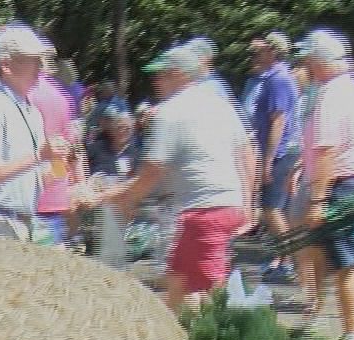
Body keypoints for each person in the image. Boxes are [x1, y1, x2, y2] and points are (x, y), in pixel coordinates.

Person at [96, 42, 254, 312]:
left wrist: (124, 199)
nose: (156, 80)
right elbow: (247, 155)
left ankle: (230, 338)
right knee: (179, 281)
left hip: (204, 210)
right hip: (223, 205)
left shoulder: (169, 113)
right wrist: (247, 203)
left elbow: (152, 170)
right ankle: (166, 335)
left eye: (162, 73)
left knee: (213, 289)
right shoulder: (222, 106)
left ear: (180, 74)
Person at [298, 29, 354, 340]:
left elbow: (327, 152)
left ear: (319, 62)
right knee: (321, 251)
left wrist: (318, 200)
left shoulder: (331, 96)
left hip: (342, 185)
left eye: (308, 59)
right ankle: (318, 315)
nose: (304, 64)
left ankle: (352, 335)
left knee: (346, 263)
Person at [0, 24, 68, 240]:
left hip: (22, 221)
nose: (40, 68)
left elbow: (41, 177)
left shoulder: (32, 112)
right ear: (7, 65)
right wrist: (41, 155)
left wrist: (59, 161)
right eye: (32, 61)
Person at [246, 31, 301, 284]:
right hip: (279, 152)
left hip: (280, 153)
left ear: (273, 51)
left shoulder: (278, 80)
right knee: (274, 210)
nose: (256, 54)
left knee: (271, 210)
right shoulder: (274, 78)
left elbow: (278, 121)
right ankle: (282, 259)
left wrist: (267, 161)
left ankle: (289, 262)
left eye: (261, 49)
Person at [31, 40, 81, 244]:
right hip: (55, 197)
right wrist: (72, 182)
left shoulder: (24, 94)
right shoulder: (62, 96)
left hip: (26, 199)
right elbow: (70, 149)